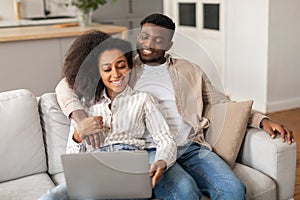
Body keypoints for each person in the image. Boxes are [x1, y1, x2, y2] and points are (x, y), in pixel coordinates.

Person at [55, 14, 295, 199]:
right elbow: (66, 85)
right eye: (145, 36)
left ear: (169, 43)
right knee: (183, 192)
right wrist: (78, 120)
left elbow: (222, 102)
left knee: (232, 189)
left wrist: (262, 120)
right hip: (147, 150)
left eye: (159, 39)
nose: (150, 43)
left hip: (191, 147)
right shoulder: (124, 66)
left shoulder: (189, 71)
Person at [39, 35, 177, 200]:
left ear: (130, 67)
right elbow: (71, 155)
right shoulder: (84, 104)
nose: (116, 74)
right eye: (107, 69)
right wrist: (78, 133)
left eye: (121, 66)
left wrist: (162, 161)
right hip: (93, 168)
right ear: (97, 72)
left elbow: (165, 138)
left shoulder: (143, 99)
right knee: (50, 197)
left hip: (129, 166)